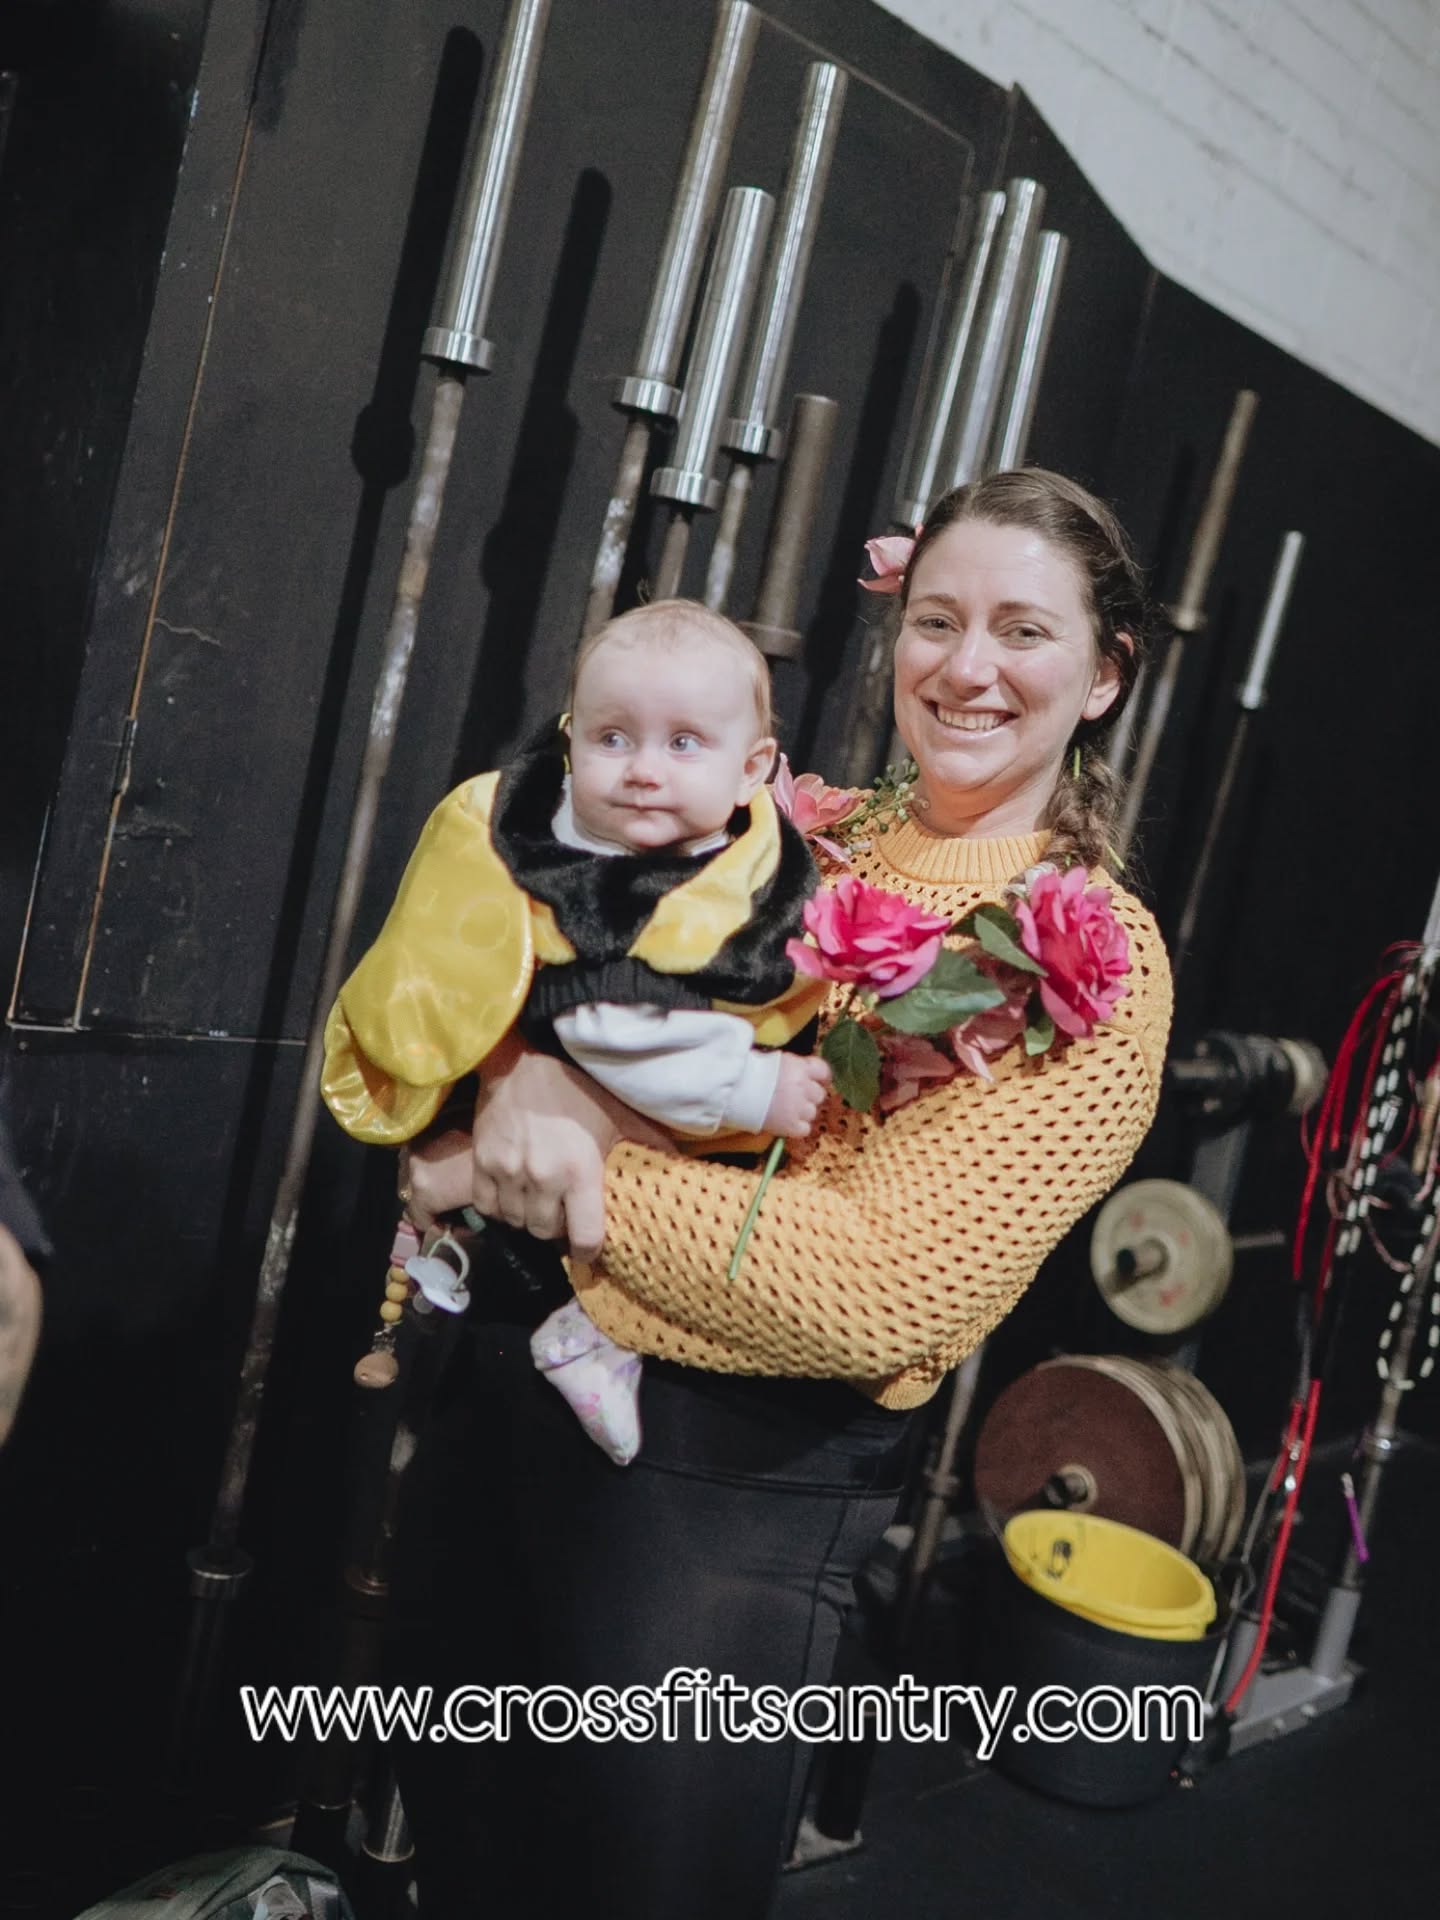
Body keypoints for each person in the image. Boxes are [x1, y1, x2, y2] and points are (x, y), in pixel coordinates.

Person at [392, 469, 1174, 1919]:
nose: (969, 667)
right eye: (936, 620)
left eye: (1024, 630)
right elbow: (532, 956)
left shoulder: (1089, 959)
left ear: (1107, 673)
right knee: (466, 1866)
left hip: (720, 1507)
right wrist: (502, 1079)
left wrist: (548, 1156)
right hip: (512, 1395)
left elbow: (882, 1288)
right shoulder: (790, 825)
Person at [323, 600, 831, 1462]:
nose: (642, 771)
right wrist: (756, 1088)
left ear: (754, 769)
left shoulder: (732, 856)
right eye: (612, 738)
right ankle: (591, 1334)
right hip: (583, 1118)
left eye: (683, 743)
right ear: (570, 743)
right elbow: (611, 1030)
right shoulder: (591, 877)